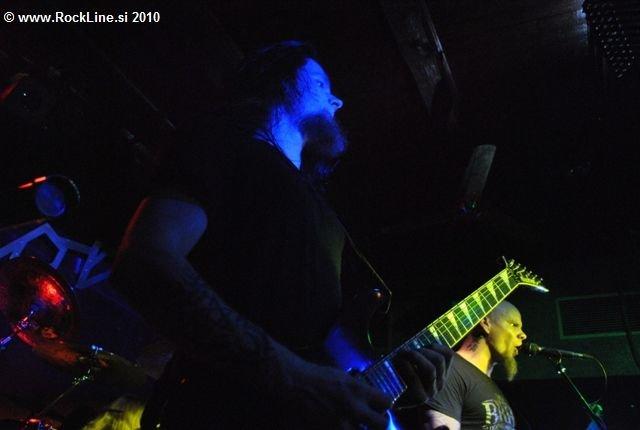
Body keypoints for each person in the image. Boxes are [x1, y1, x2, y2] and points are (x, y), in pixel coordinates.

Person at [111, 40, 452, 429]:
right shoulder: (228, 145)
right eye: (321, 85)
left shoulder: (323, 215)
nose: (338, 101)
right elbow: (145, 259)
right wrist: (298, 379)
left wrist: (391, 383)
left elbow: (328, 355)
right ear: (279, 83)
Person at [421, 301, 526, 430]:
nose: (523, 335)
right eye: (514, 325)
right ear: (485, 323)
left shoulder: (493, 387)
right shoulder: (449, 368)